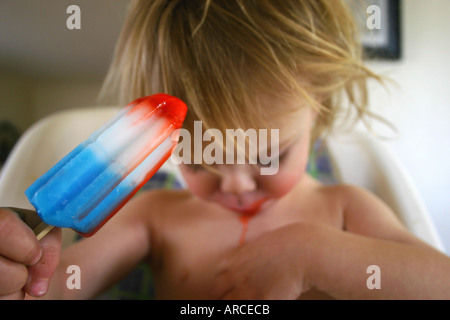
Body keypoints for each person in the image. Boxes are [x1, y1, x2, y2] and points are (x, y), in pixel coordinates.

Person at [1, 0, 449, 300]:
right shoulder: (153, 216)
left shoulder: (343, 209)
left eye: (269, 156)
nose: (236, 182)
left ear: (321, 111)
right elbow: (54, 288)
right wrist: (19, 271)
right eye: (197, 158)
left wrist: (312, 253)